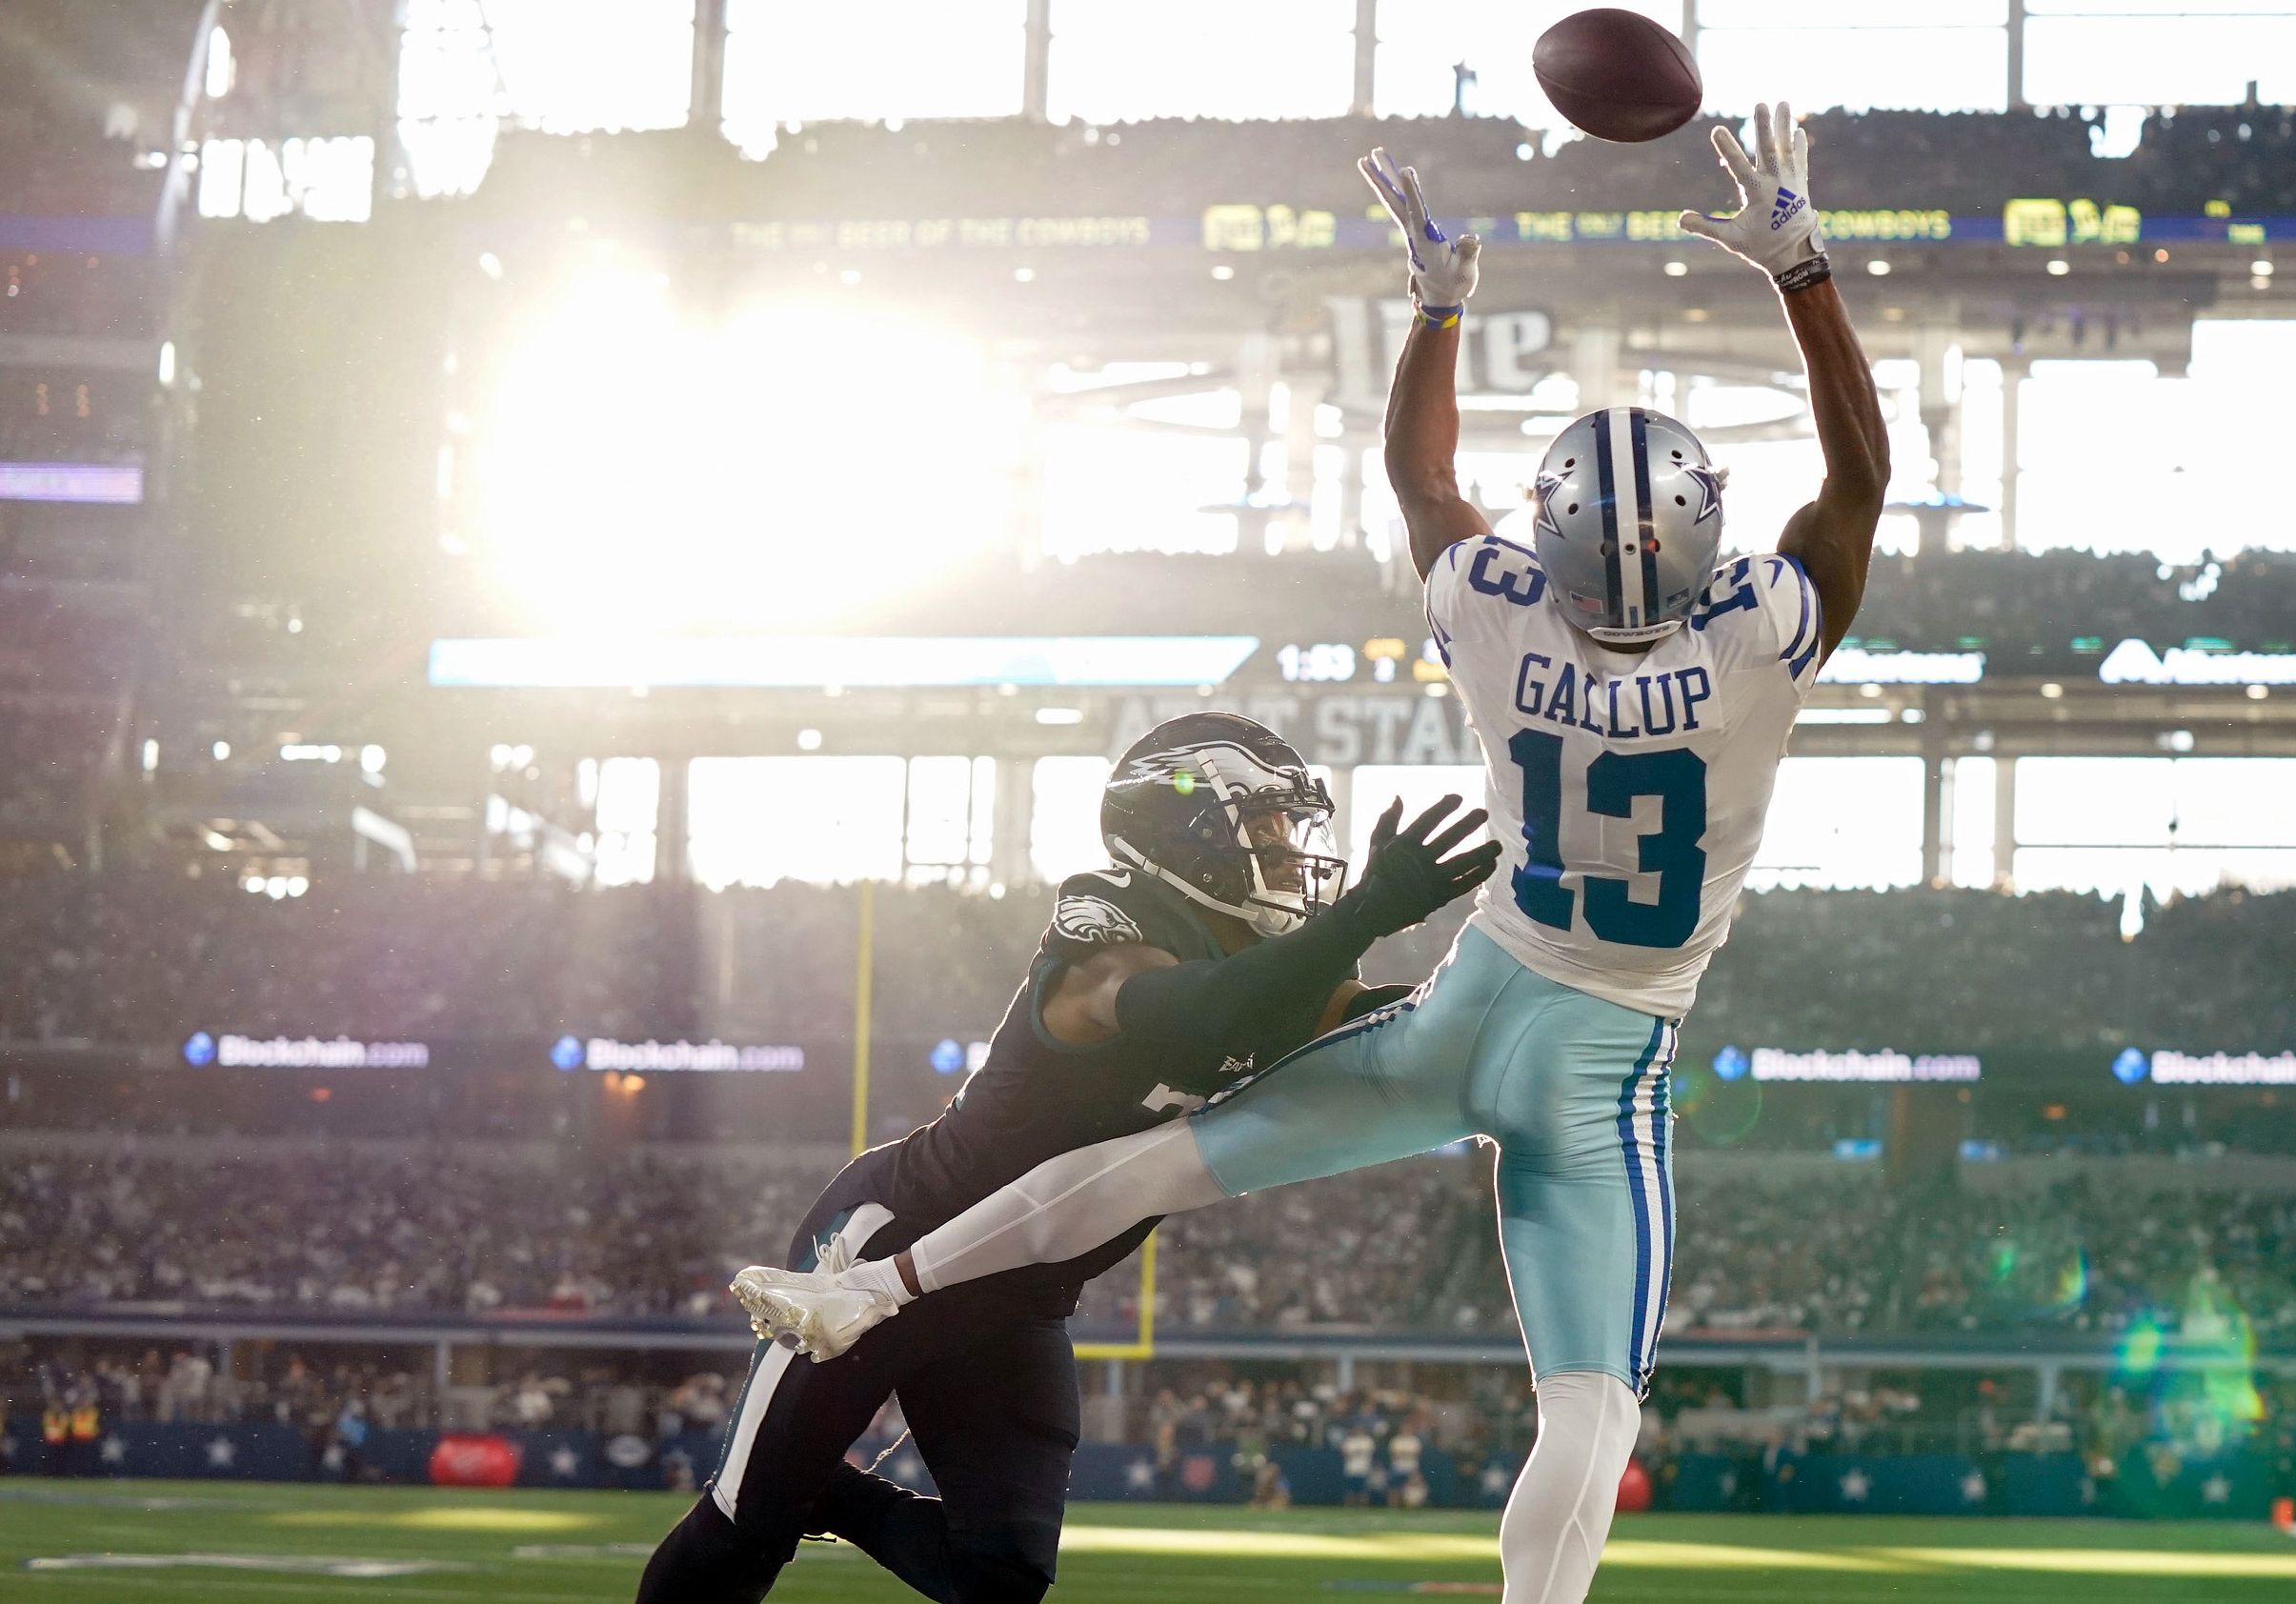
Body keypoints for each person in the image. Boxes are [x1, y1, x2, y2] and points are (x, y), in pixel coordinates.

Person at [731, 98, 1888, 1604]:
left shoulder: (1497, 616)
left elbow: (1421, 485)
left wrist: (1440, 307)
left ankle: (871, 1289)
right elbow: (1855, 485)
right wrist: (1802, 269)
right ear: (1701, 538)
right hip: (1603, 1068)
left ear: (1548, 534)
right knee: (1591, 1410)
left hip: (1467, 1008)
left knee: (1133, 1162)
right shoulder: (1758, 645)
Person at [637, 712, 1492, 1604]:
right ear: (1184, 832)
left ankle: (825, 1488)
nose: (1288, 846)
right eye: (1266, 822)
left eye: (1289, 823)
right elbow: (1194, 1013)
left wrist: (1533, 997)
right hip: (890, 1249)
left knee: (998, 1574)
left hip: (1020, 1293)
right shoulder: (1109, 929)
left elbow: (1391, 1023)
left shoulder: (1264, 961)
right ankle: (785, 1487)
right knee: (745, 1531)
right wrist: (1365, 913)